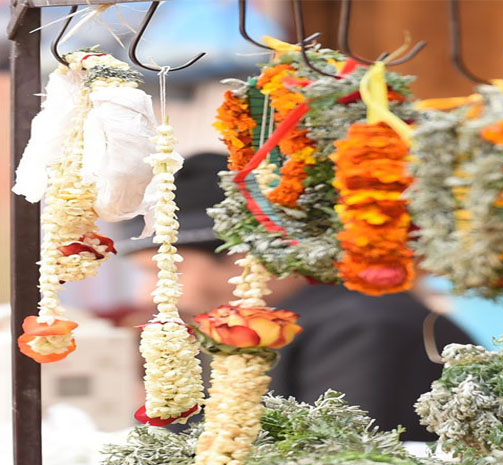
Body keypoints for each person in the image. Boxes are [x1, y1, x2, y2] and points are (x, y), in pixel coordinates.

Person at [118, 153, 474, 440]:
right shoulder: (238, 331)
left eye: (163, 272)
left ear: (242, 256)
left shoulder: (364, 325)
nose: (145, 295)